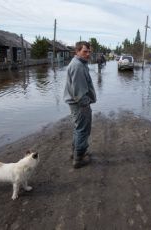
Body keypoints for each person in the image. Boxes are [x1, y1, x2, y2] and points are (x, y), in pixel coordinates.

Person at [64, 41, 96, 169]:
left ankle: (75, 152)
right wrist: (85, 104)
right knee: (83, 130)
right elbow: (78, 92)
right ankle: (79, 158)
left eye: (89, 52)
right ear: (77, 52)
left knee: (79, 128)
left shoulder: (79, 64)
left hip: (77, 103)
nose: (88, 54)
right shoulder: (77, 66)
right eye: (85, 51)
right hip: (80, 104)